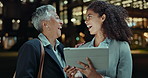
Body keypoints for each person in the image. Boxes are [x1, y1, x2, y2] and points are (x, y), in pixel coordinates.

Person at [64, 0, 133, 78]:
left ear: (102, 18)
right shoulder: (82, 48)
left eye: (89, 17)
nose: (86, 22)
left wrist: (97, 77)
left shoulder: (121, 47)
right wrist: (75, 76)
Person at [15, 5, 66, 78]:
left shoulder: (61, 48)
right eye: (57, 18)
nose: (61, 22)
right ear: (45, 24)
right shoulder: (31, 47)